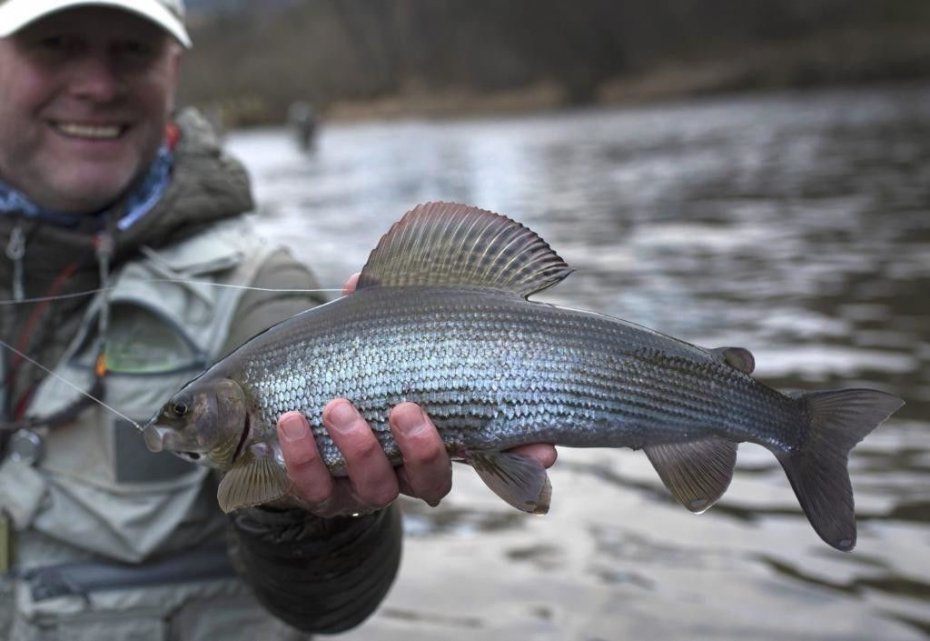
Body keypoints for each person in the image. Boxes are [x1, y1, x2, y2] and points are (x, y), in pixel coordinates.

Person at [0, 1, 557, 639]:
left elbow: (332, 608)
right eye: (56, 43)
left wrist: (311, 519)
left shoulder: (265, 296)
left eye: (132, 49)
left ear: (173, 68)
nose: (96, 84)